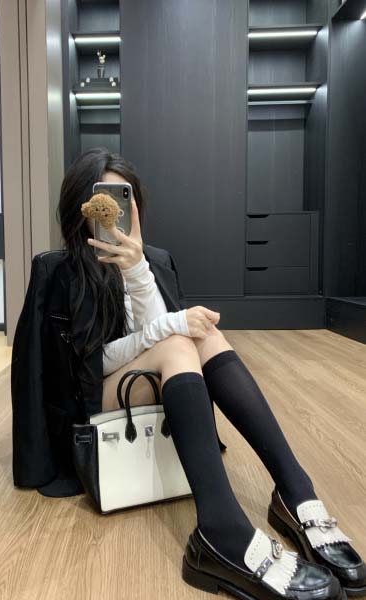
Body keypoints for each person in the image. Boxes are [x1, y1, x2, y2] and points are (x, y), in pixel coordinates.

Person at [57, 147, 366, 600]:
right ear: (80, 207)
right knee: (179, 339)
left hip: (143, 374)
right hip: (96, 394)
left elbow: (154, 331)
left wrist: (138, 272)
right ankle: (221, 530)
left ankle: (295, 491)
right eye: (102, 200)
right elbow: (94, 362)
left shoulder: (150, 261)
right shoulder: (66, 270)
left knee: (203, 337)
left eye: (123, 200)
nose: (113, 214)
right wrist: (170, 327)